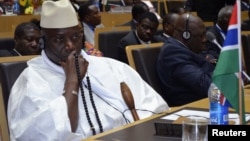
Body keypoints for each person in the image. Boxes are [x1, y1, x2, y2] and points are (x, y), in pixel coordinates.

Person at [7, 0, 169, 140]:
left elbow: (156, 110)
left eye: (75, 37)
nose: (70, 46)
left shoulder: (113, 68)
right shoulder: (31, 81)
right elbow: (45, 135)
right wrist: (72, 81)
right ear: (43, 41)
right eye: (59, 39)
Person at [157, 13, 215, 106]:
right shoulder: (172, 53)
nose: (205, 40)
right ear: (186, 35)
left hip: (207, 102)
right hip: (192, 109)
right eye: (201, 36)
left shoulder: (187, 48)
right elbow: (206, 85)